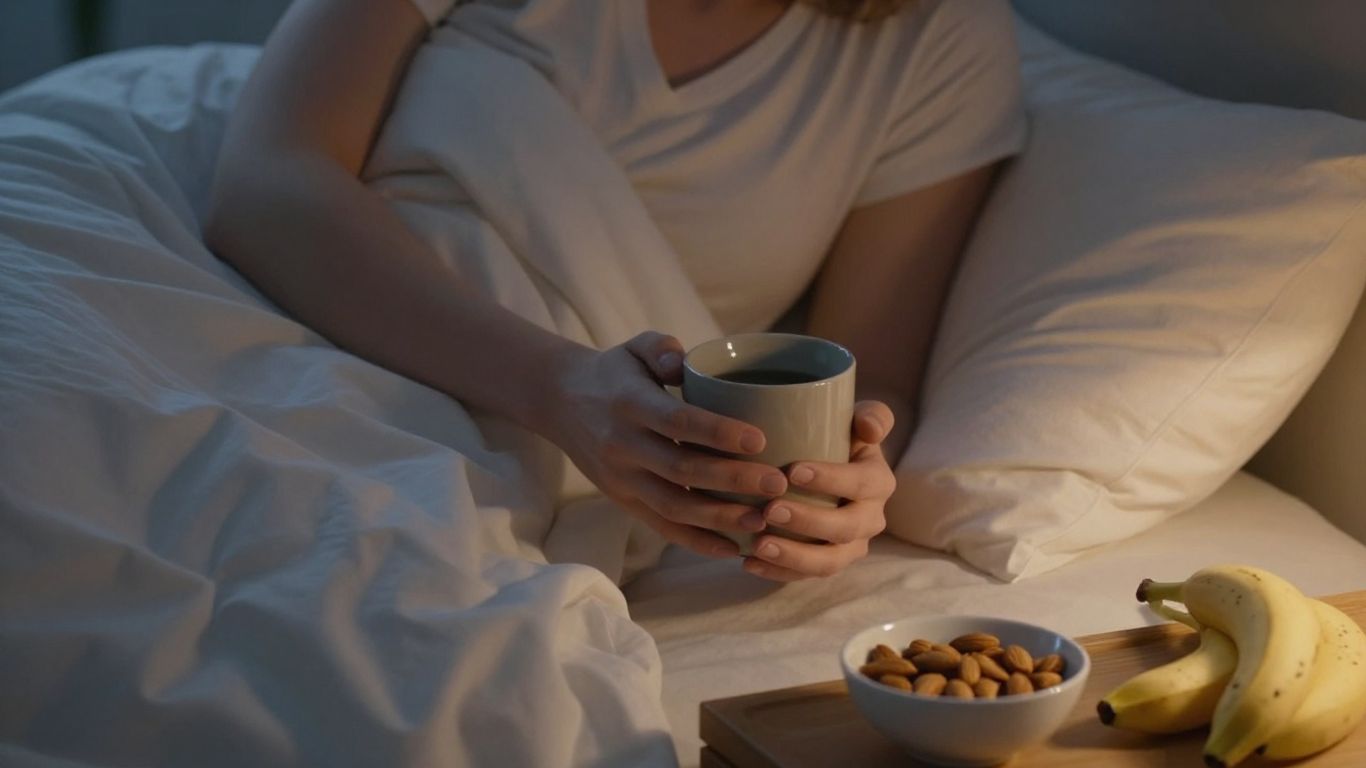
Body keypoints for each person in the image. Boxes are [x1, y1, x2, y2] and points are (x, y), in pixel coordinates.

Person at [204, 0, 1026, 582]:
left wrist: (842, 495)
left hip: (592, 462)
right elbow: (268, 183)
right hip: (313, 328)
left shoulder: (936, 35)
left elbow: (867, 378)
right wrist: (556, 387)